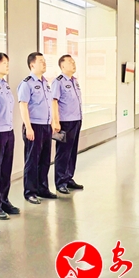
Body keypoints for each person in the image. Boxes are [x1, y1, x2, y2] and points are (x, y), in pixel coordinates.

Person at [17, 52, 56, 204]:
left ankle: (42, 188)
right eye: (41, 61)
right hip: (33, 126)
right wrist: (28, 127)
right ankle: (30, 192)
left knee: (45, 159)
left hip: (46, 126)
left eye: (44, 61)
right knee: (32, 160)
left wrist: (52, 122)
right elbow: (23, 105)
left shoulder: (45, 82)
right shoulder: (27, 83)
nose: (44, 63)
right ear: (32, 64)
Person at [0, 52, 20, 219]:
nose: (7, 66)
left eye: (8, 63)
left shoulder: (5, 84)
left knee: (6, 169)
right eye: (3, 63)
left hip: (8, 130)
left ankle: (4, 200)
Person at [51, 55, 85, 194]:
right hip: (65, 122)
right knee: (63, 152)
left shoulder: (74, 81)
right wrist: (55, 121)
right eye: (70, 62)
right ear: (62, 66)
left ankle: (68, 178)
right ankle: (60, 182)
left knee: (72, 152)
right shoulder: (58, 81)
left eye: (74, 62)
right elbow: (54, 101)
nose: (73, 64)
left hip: (76, 120)